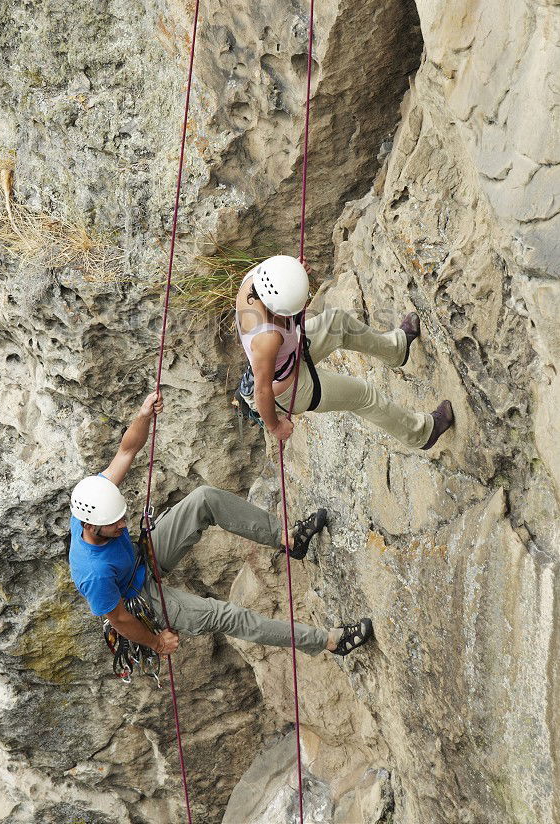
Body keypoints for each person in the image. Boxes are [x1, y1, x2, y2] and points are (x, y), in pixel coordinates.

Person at [69, 391, 373, 660]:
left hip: (139, 558)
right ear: (91, 526)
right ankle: (330, 642)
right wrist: (157, 642)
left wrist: (143, 416)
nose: (123, 524)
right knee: (226, 615)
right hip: (138, 597)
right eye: (114, 524)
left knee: (204, 499)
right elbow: (120, 619)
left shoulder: (95, 496)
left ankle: (288, 539)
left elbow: (126, 451)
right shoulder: (92, 575)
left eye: (122, 517)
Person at [236, 255, 454, 449]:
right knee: (364, 395)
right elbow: (262, 391)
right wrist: (275, 427)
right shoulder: (266, 339)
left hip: (289, 351)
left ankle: (395, 350)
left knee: (338, 322)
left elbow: (284, 278)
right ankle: (422, 434)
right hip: (289, 386)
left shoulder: (261, 276)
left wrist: (297, 275)